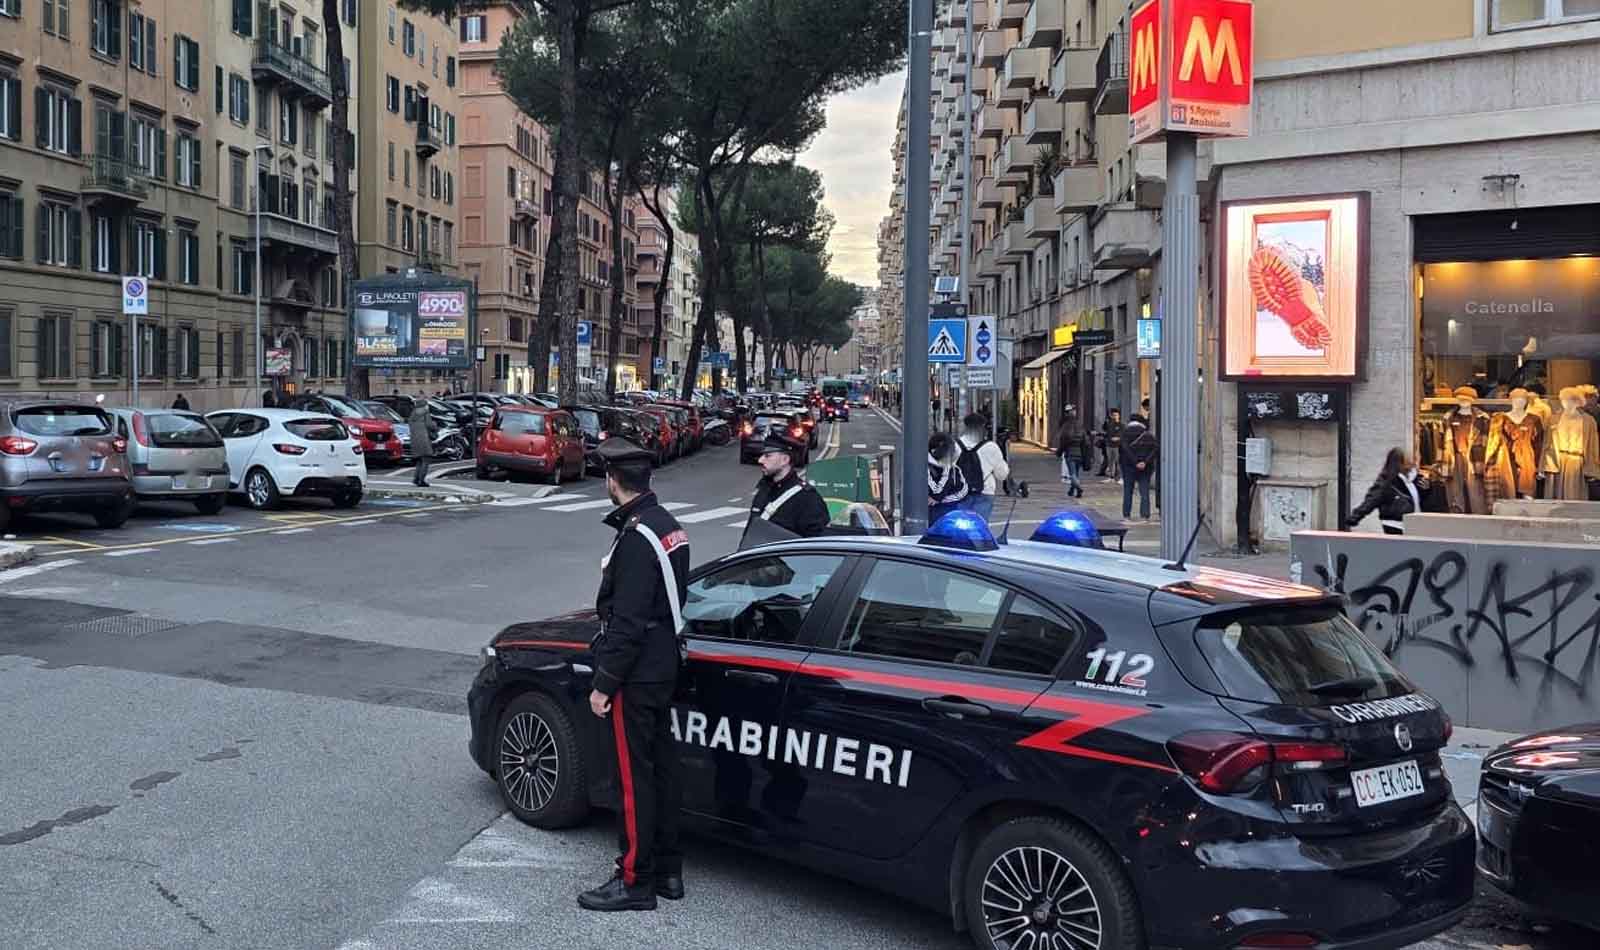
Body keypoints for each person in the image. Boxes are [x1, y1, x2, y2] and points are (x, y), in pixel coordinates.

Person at [580, 438, 690, 913]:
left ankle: (634, 879)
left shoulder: (637, 537)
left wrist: (605, 684)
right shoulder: (669, 526)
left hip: (638, 672)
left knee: (633, 778)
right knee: (662, 770)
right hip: (664, 665)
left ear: (613, 482)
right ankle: (667, 869)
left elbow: (628, 623)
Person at [748, 430, 830, 537]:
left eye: (767, 456)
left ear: (785, 460)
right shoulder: (764, 490)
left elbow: (815, 544)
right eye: (762, 455)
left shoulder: (807, 498)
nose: (760, 460)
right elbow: (751, 534)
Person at [1347, 447, 1425, 535]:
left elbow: (1419, 501)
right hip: (1395, 524)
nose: (1412, 463)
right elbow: (1372, 499)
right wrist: (1355, 517)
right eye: (1408, 461)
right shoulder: (1387, 482)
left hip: (1413, 524)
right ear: (1399, 463)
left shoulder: (1414, 480)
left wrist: (1426, 489)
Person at [956, 412, 1010, 522]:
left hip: (958, 493)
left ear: (966, 427)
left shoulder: (954, 445)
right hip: (984, 492)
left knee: (958, 527)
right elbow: (1002, 475)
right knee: (979, 527)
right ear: (982, 428)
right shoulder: (991, 447)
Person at [1119, 413, 1158, 521]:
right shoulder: (1147, 434)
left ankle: (1127, 515)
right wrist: (1144, 462)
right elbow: (1155, 449)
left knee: (1128, 491)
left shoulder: (1125, 433)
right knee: (1144, 491)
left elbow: (1125, 450)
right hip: (1145, 467)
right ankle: (1145, 515)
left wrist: (1135, 462)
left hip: (1128, 467)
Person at [928, 432, 970, 523]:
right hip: (942, 508)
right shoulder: (948, 466)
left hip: (948, 507)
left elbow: (963, 488)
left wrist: (938, 498)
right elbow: (937, 492)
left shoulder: (952, 467)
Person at [1056, 409, 1090, 499]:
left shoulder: (1066, 427)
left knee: (1072, 474)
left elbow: (1062, 442)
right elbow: (1086, 441)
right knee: (1076, 473)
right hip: (1079, 454)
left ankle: (1079, 488)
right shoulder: (1080, 427)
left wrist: (1059, 452)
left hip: (1070, 453)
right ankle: (1072, 490)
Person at [408, 399, 436, 487]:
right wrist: (435, 425)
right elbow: (429, 425)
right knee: (426, 459)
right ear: (424, 406)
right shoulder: (425, 413)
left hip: (414, 439)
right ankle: (421, 480)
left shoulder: (412, 414)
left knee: (420, 460)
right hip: (424, 439)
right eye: (426, 405)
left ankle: (416, 478)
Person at [1098, 409, 1123, 480]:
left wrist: (1118, 438)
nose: (1114, 417)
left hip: (1117, 446)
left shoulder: (1121, 425)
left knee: (1117, 461)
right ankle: (1110, 476)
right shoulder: (1109, 424)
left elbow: (1123, 434)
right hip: (1109, 445)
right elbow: (1106, 431)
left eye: (1116, 415)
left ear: (1119, 416)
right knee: (1110, 461)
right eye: (1113, 415)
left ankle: (1118, 477)